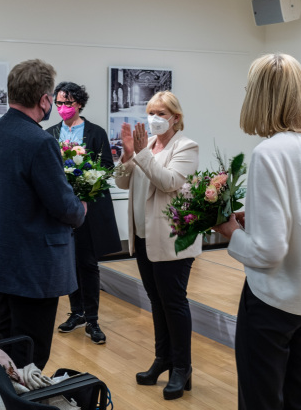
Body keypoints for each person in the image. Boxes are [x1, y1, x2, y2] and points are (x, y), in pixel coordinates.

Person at [213, 53, 301, 410]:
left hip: (274, 299)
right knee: (299, 393)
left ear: (259, 95)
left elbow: (268, 252)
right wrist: (255, 216)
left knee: (261, 399)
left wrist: (229, 230)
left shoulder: (269, 153)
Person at [0, 59, 87, 370]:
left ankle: (1, 399)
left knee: (8, 341)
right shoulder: (39, 142)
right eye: (52, 96)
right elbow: (64, 207)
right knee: (32, 355)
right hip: (35, 267)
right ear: (44, 100)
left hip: (3, 257)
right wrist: (81, 208)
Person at [114, 91, 200, 401]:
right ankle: (163, 359)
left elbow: (169, 182)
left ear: (176, 117)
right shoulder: (145, 146)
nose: (154, 118)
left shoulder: (186, 147)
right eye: (151, 112)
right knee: (157, 300)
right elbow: (122, 183)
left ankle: (182, 368)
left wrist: (141, 153)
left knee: (173, 303)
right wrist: (126, 155)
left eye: (162, 113)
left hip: (172, 239)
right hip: (143, 237)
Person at [46, 81, 122, 344]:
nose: (63, 108)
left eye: (68, 103)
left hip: (88, 208)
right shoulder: (50, 132)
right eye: (59, 103)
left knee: (88, 263)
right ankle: (76, 312)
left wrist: (86, 182)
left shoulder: (96, 132)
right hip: (62, 210)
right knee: (68, 262)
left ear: (79, 103)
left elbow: (107, 167)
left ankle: (92, 319)